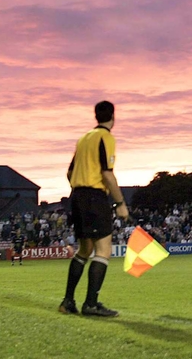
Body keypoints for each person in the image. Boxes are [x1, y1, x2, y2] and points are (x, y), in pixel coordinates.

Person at [59, 101, 129, 318]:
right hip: (94, 196)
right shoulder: (106, 138)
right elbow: (107, 174)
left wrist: (79, 189)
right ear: (113, 117)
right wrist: (120, 204)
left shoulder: (83, 139)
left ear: (96, 116)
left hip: (77, 196)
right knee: (104, 250)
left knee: (84, 250)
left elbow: (69, 173)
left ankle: (68, 301)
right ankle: (91, 303)